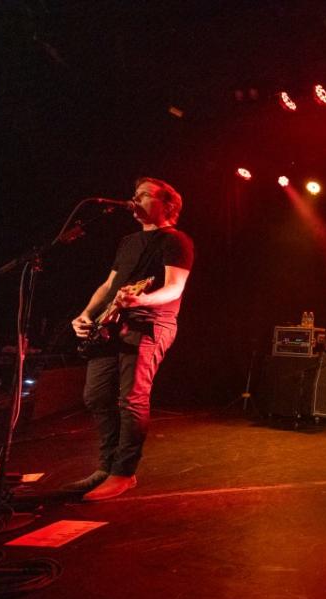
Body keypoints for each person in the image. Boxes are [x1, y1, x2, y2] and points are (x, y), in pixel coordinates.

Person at [64, 177, 194, 501]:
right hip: (112, 324)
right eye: (134, 194)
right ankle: (106, 466)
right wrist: (85, 315)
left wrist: (141, 301)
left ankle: (123, 472)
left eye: (144, 195)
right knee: (95, 396)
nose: (134, 199)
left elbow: (175, 287)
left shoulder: (176, 240)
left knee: (131, 400)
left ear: (168, 205)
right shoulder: (128, 242)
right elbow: (108, 286)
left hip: (151, 324)